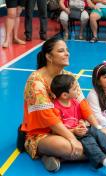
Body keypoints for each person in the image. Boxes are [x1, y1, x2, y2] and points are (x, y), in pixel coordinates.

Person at [21, 37, 89, 172]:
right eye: (61, 51)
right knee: (66, 146)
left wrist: (83, 122)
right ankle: (102, 153)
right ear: (49, 57)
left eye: (67, 50)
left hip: (71, 126)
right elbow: (49, 120)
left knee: (103, 133)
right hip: (43, 133)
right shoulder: (36, 81)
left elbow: (82, 104)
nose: (67, 53)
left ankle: (55, 156)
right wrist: (72, 139)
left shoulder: (69, 76)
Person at [50, 74, 106, 176]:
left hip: (81, 130)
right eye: (74, 89)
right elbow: (56, 128)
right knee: (89, 141)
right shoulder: (55, 108)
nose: (78, 91)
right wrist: (74, 131)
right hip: (69, 135)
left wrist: (81, 123)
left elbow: (79, 118)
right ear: (65, 95)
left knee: (98, 133)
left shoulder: (74, 102)